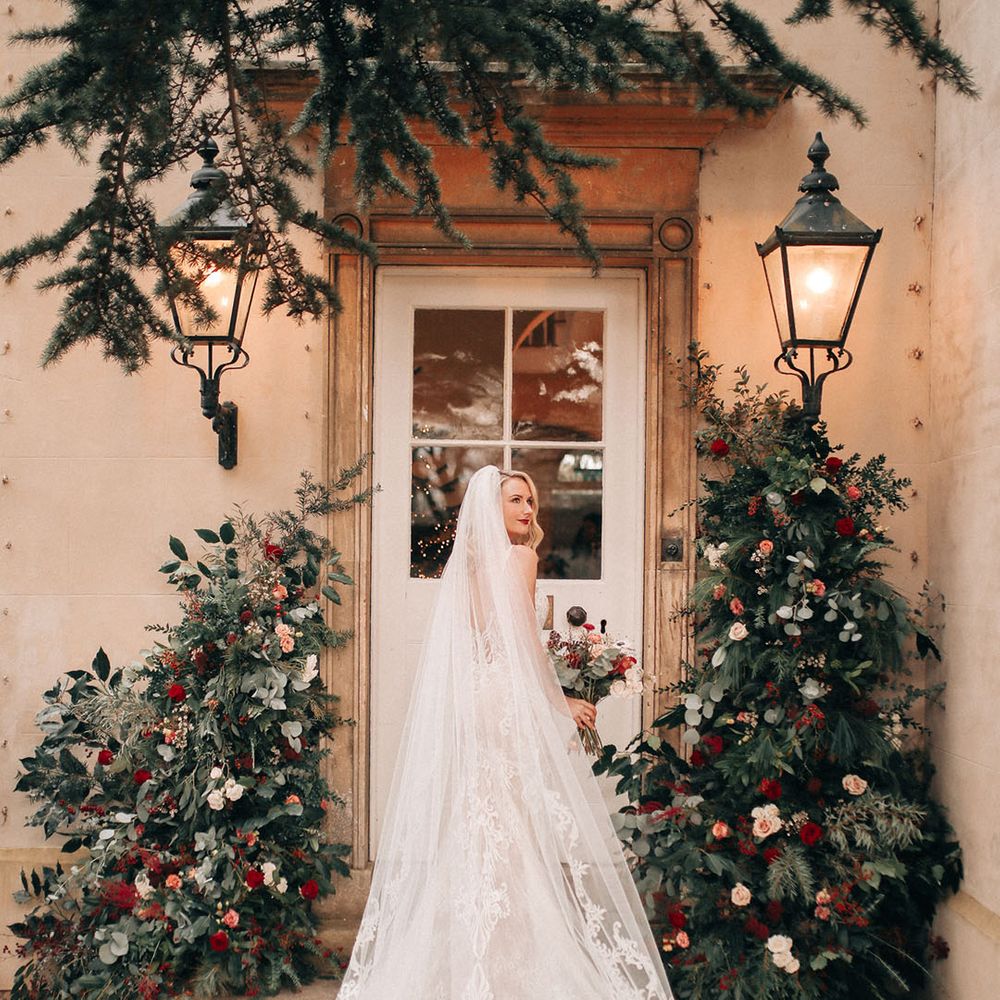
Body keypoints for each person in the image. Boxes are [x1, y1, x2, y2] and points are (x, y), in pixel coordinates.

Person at [337, 465, 674, 1000]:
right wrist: (559, 701)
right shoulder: (519, 558)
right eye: (515, 500)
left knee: (480, 823)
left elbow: (486, 646)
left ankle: (465, 956)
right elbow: (520, 648)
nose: (527, 511)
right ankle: (507, 961)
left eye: (531, 502)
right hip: (504, 699)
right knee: (509, 827)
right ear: (491, 509)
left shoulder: (468, 567)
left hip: (476, 699)